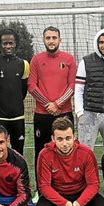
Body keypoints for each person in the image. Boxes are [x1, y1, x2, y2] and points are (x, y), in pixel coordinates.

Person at [36, 117, 104, 206]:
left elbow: (93, 184)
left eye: (68, 138)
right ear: (53, 139)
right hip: (57, 193)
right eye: (60, 139)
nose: (65, 143)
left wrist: (80, 202)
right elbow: (44, 186)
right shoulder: (44, 154)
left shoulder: (86, 153)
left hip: (80, 192)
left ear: (74, 137)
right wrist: (64, 203)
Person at [28, 26, 77, 183]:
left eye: (54, 38)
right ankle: (41, 187)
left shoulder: (69, 59)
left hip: (64, 113)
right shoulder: (36, 59)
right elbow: (31, 85)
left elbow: (73, 86)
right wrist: (48, 104)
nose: (51, 41)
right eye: (48, 38)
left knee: (67, 149)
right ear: (43, 40)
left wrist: (58, 104)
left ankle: (67, 184)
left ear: (59, 40)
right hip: (42, 114)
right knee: (41, 151)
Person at [0, 28, 29, 155]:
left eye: (11, 43)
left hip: (18, 116)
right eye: (5, 43)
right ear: (0, 45)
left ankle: (17, 175)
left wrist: (15, 104)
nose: (8, 46)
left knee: (18, 151)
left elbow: (23, 90)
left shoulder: (24, 64)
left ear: (16, 44)